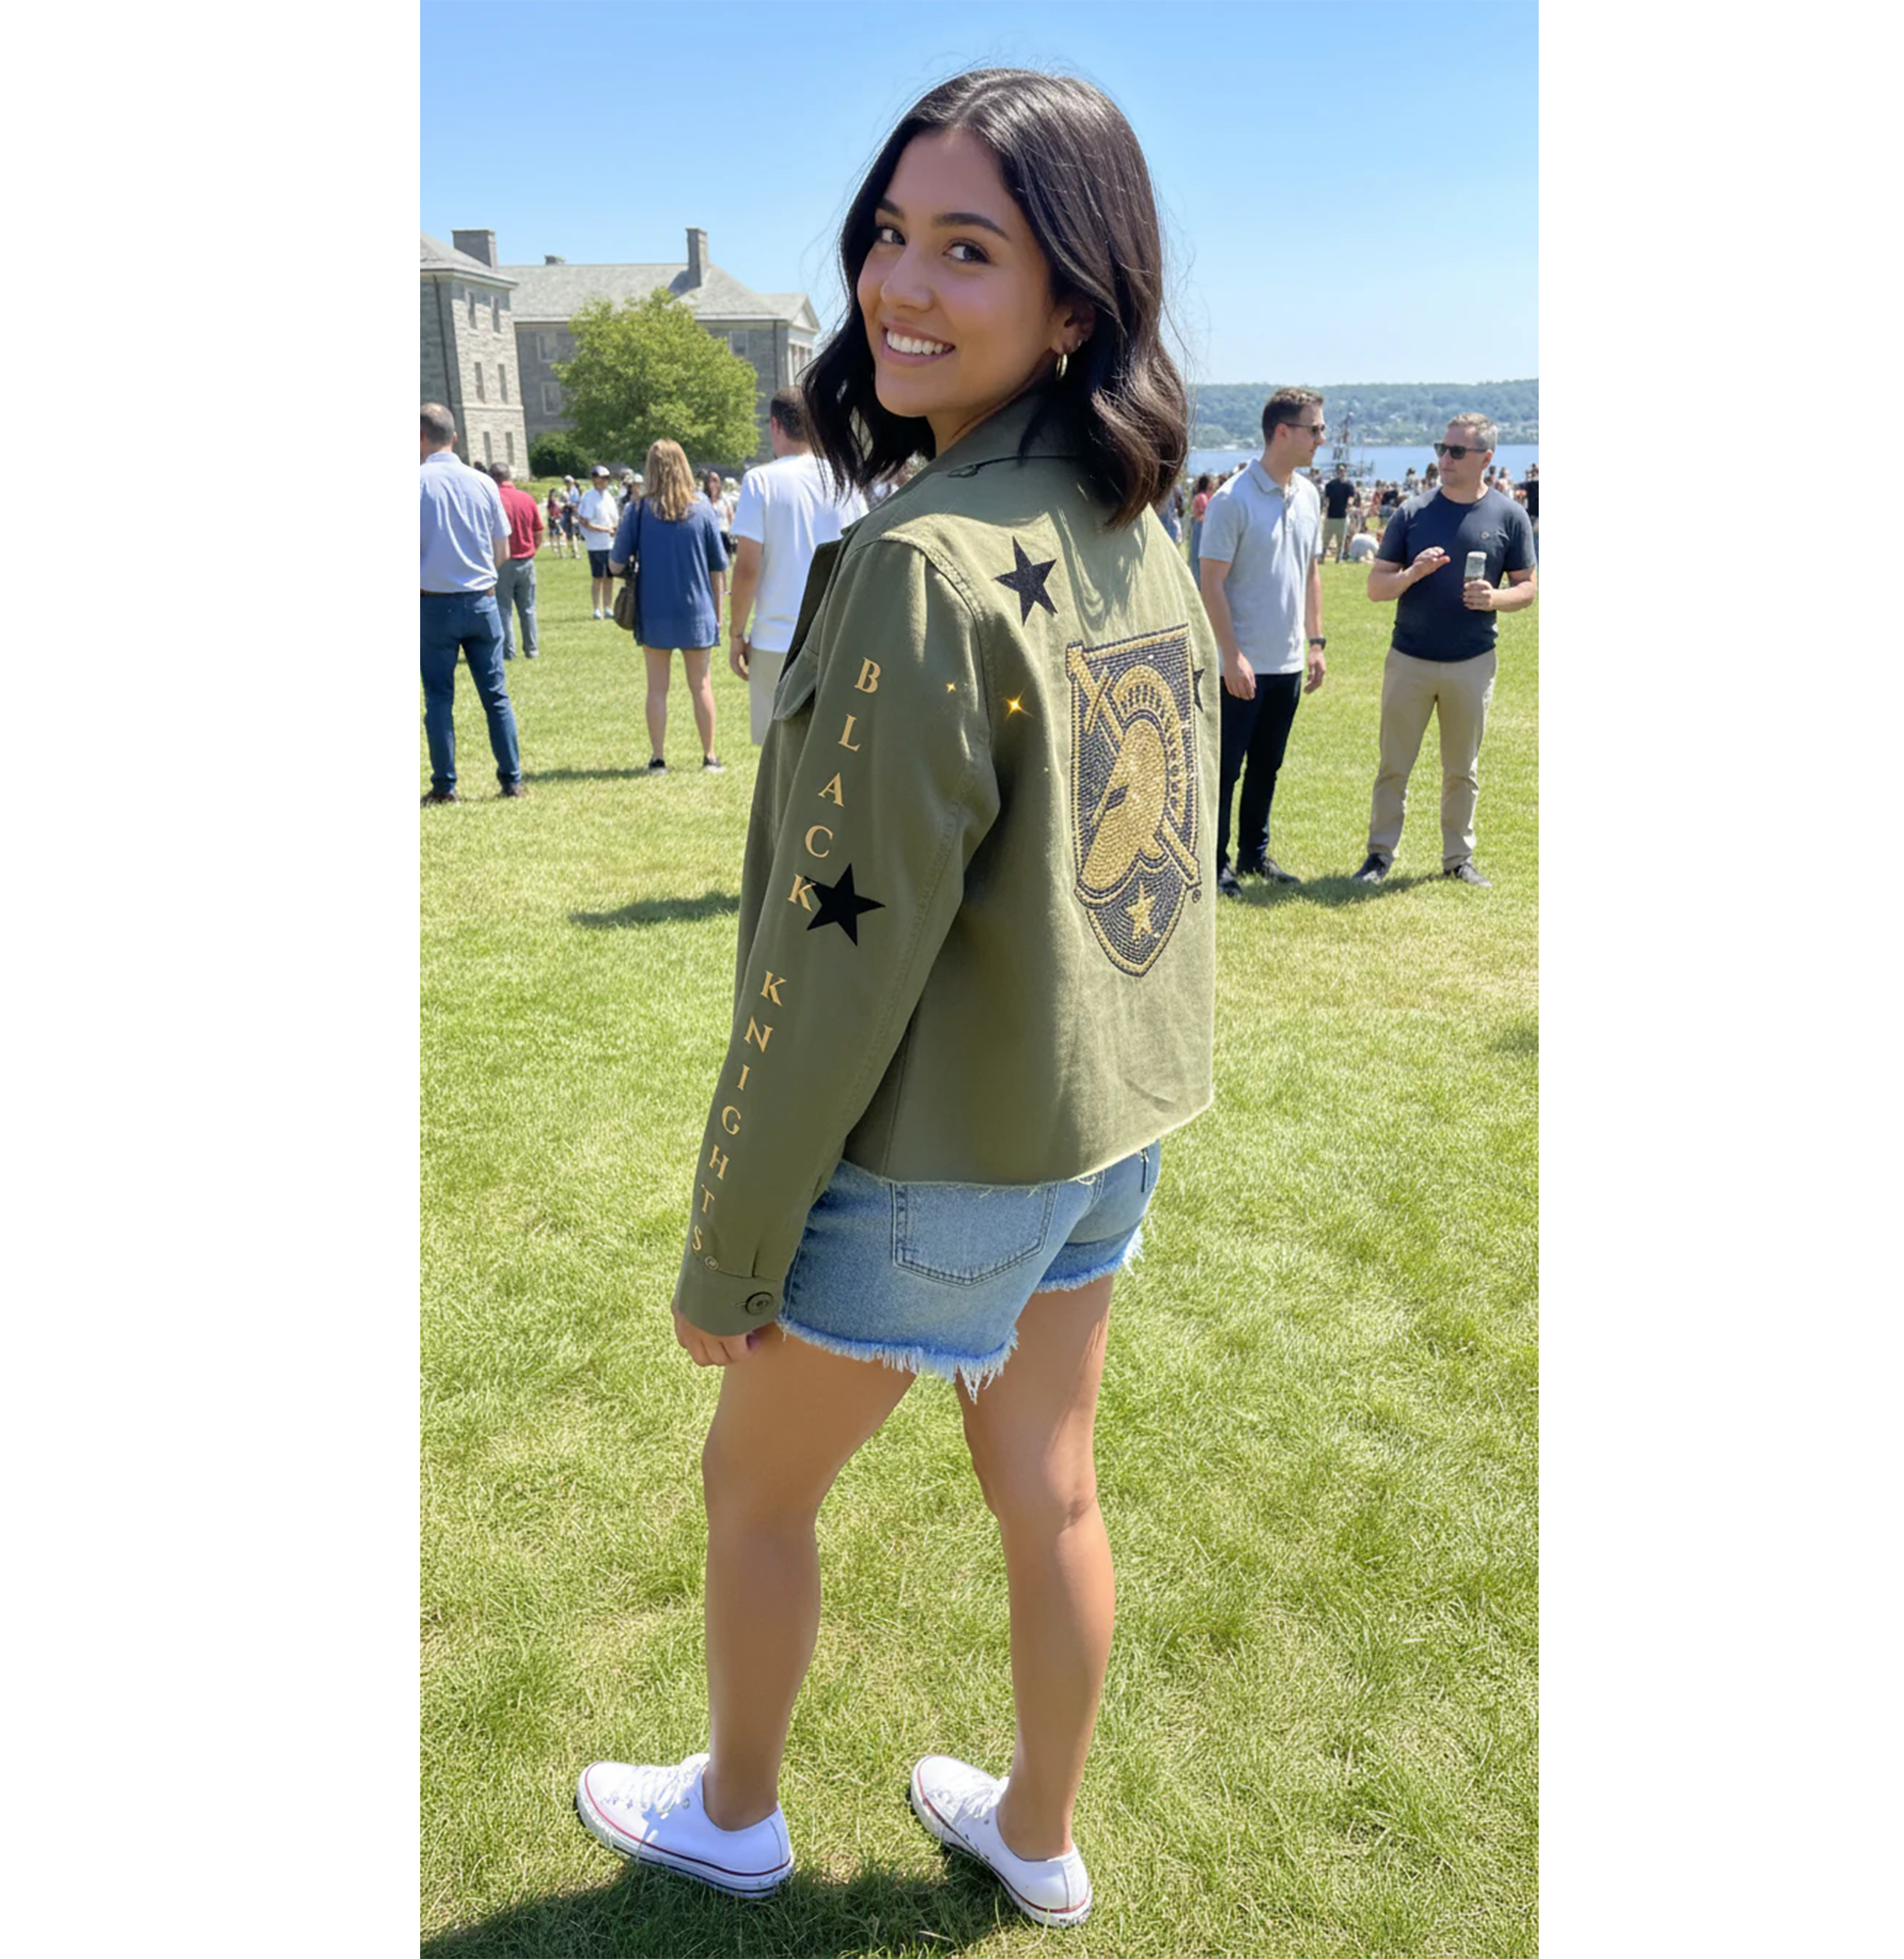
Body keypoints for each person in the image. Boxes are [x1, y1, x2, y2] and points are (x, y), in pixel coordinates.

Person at [573, 68, 1215, 1932]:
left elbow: (829, 967)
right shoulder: (1132, 516)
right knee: (1052, 1488)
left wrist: (728, 1251)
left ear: (1076, 299)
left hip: (938, 1155)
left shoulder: (922, 569)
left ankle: (734, 1814)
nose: (899, 285)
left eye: (966, 249)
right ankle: (1038, 1829)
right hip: (1100, 1130)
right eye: (887, 234)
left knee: (753, 1492)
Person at [1352, 413, 1537, 886]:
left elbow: (1528, 588)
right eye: (1442, 448)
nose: (1444, 459)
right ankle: (1379, 856)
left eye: (1456, 451)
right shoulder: (1412, 512)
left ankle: (1458, 859)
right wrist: (1412, 573)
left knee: (1461, 770)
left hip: (1472, 662)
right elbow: (1376, 588)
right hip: (1409, 659)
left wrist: (1494, 598)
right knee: (1393, 766)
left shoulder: (1509, 516)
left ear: (1486, 459)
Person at [1196, 386, 1326, 897]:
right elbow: (1211, 583)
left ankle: (1254, 852)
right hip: (1239, 663)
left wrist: (1315, 642)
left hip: (1287, 662)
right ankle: (1215, 862)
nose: (1321, 438)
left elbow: (1311, 572)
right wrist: (1231, 656)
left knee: (1267, 765)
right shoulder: (1232, 499)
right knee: (1226, 769)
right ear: (1283, 432)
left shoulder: (1309, 495)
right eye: (1315, 429)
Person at [728, 385, 868, 746]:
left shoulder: (761, 480)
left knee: (777, 753)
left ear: (775, 425)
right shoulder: (846, 479)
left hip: (777, 638)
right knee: (827, 749)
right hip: (835, 635)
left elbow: (747, 567)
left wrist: (736, 633)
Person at [418, 403, 523, 802]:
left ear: (420, 438)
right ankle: (511, 779)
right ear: (455, 437)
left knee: (439, 698)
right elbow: (502, 550)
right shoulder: (484, 483)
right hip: (482, 599)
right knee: (496, 696)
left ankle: (445, 785)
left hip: (433, 604)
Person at [610, 439, 729, 774]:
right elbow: (718, 568)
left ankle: (658, 758)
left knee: (657, 688)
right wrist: (719, 615)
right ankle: (709, 756)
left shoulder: (637, 511)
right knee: (701, 685)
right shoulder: (703, 509)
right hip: (698, 610)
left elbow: (615, 564)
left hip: (654, 610)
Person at [489, 460, 542, 660]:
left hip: (502, 561)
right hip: (526, 559)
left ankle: (507, 651)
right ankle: (532, 649)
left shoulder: (494, 500)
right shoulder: (526, 498)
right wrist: (532, 550)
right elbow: (538, 531)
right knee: (528, 608)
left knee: (503, 608)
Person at [577, 464, 620, 618]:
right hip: (595, 544)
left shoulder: (609, 496)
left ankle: (608, 607)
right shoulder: (589, 497)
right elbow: (585, 522)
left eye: (605, 478)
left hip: (610, 543)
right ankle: (597, 608)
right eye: (599, 478)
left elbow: (614, 518)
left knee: (609, 577)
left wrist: (615, 528)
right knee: (598, 577)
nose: (602, 481)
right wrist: (606, 530)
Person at [1320, 462, 1357, 562]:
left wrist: (1349, 505)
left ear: (1345, 472)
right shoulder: (1330, 485)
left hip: (1342, 516)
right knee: (1326, 538)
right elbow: (1326, 499)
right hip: (1330, 515)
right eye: (1339, 471)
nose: (1341, 473)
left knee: (1341, 539)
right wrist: (1324, 509)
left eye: (1342, 471)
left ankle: (1338, 558)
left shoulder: (1349, 485)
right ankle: (1322, 556)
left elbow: (1351, 497)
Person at [1187, 472, 1214, 572]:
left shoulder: (1200, 496)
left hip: (1200, 525)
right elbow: (1205, 512)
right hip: (1202, 526)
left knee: (1196, 555)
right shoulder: (1203, 497)